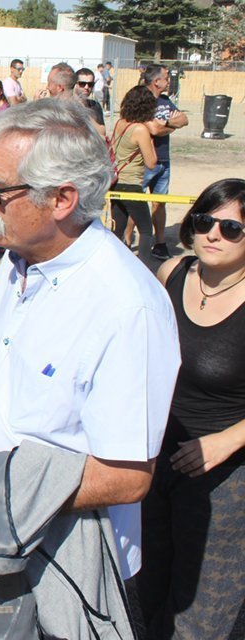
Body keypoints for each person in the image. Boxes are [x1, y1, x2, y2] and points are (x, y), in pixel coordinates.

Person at [0, 99, 181, 635]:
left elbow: (127, 475)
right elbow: (29, 382)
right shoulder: (19, 261)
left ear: (62, 199)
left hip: (62, 566)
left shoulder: (126, 306)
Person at [138, 178, 245, 639]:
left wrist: (226, 441)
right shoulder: (172, 274)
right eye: (204, 221)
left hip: (224, 478)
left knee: (203, 610)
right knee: (144, 588)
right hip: (153, 460)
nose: (213, 234)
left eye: (231, 228)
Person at [142, 63, 189, 261]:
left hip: (164, 160)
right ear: (156, 81)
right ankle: (126, 242)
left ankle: (159, 243)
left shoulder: (165, 100)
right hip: (144, 161)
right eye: (166, 77)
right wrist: (170, 126)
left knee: (160, 203)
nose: (169, 81)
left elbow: (184, 119)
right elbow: (153, 129)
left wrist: (168, 124)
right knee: (132, 203)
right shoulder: (141, 101)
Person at [110, 85, 158, 268]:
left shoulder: (120, 123)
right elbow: (151, 162)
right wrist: (151, 138)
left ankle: (113, 264)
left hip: (116, 182)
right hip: (131, 185)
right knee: (146, 230)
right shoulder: (140, 130)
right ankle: (145, 268)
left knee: (117, 229)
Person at [74, 67, 106, 136]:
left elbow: (102, 132)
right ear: (75, 84)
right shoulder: (66, 105)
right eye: (82, 84)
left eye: (90, 84)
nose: (86, 87)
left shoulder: (95, 105)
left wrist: (85, 114)